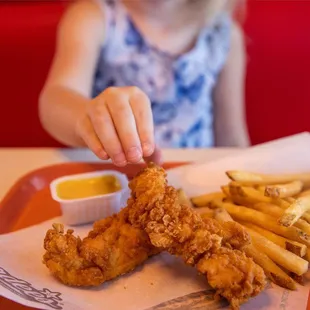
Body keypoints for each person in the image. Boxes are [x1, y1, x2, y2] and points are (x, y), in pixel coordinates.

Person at [39, 0, 249, 167]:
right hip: (110, 178)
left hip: (197, 182)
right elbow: (56, 99)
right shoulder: (92, 17)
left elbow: (231, 137)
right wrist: (88, 119)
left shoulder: (224, 34)